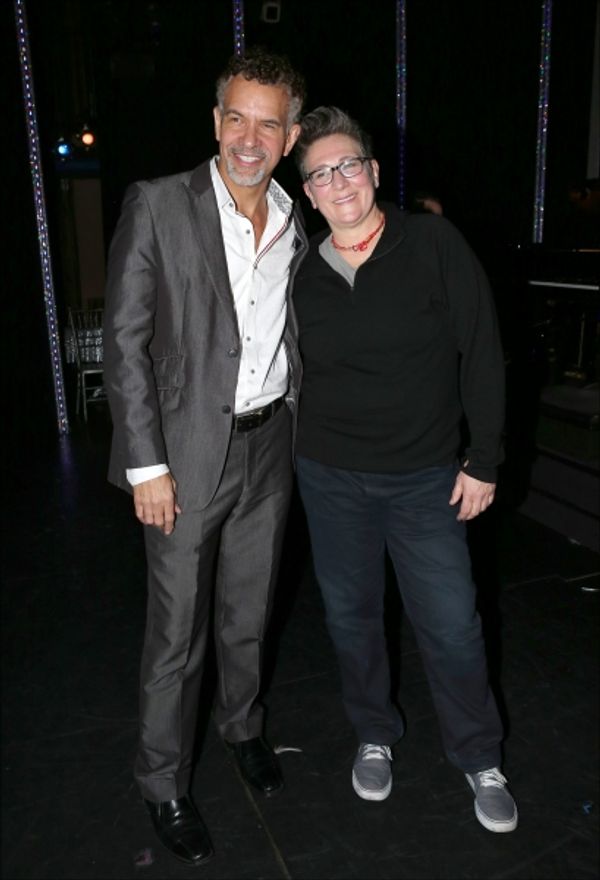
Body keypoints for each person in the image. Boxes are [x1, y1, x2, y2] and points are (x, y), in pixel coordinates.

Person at [103, 47, 307, 867]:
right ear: (215, 122)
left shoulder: (297, 218)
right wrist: (146, 466)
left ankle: (242, 728)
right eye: (237, 119)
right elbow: (124, 342)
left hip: (271, 446)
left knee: (249, 613)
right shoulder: (158, 203)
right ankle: (163, 782)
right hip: (184, 461)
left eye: (269, 124)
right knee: (177, 634)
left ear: (290, 135)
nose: (250, 139)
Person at [292, 106, 518, 833]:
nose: (338, 182)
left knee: (452, 625)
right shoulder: (302, 270)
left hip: (425, 479)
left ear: (374, 171)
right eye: (320, 174)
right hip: (330, 478)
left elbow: (482, 350)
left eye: (348, 165)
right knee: (352, 619)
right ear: (308, 194)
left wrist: (484, 458)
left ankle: (480, 756)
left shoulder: (431, 242)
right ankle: (373, 733)